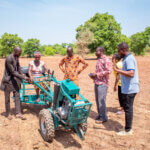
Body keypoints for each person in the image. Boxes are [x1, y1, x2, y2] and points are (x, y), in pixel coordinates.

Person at [113, 42, 140, 136]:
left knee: (128, 109)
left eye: (118, 50)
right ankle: (127, 127)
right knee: (128, 108)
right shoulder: (127, 58)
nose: (118, 52)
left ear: (123, 50)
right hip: (128, 88)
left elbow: (131, 73)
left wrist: (118, 71)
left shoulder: (129, 59)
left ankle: (128, 130)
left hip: (130, 89)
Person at [0, 47, 29, 120]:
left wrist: (22, 74)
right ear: (15, 51)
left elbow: (19, 67)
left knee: (17, 96)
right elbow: (12, 72)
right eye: (19, 53)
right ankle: (8, 113)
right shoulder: (9, 59)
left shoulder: (16, 57)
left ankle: (18, 113)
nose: (20, 54)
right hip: (8, 81)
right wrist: (23, 77)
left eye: (20, 53)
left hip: (15, 80)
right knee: (7, 99)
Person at [89, 46, 111, 124]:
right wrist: (93, 76)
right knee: (98, 100)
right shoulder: (99, 60)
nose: (95, 52)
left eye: (97, 51)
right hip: (97, 82)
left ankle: (103, 117)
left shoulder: (106, 60)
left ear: (101, 52)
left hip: (103, 83)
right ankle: (100, 114)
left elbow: (108, 71)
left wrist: (97, 74)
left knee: (101, 101)